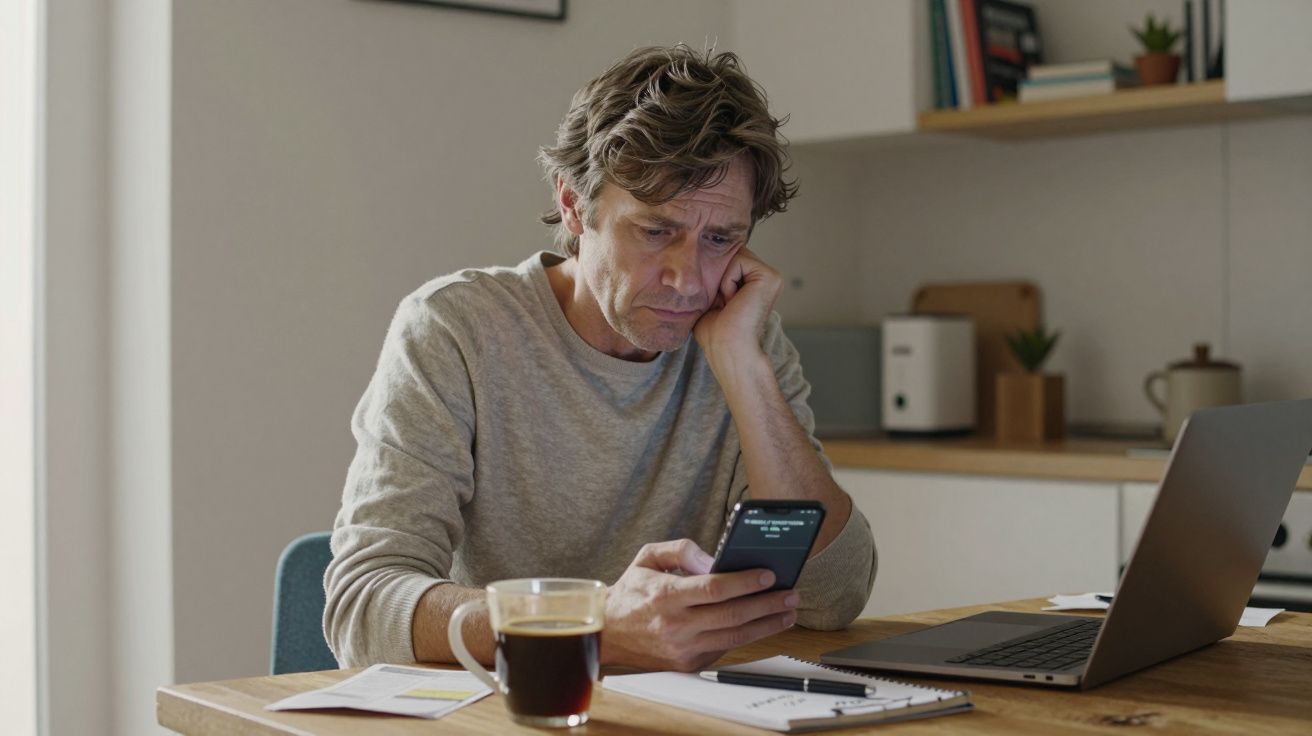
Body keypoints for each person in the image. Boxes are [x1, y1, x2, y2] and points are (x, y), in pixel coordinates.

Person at [325, 44, 877, 672]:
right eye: (656, 230)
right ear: (572, 204)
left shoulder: (743, 337)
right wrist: (585, 624)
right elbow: (363, 609)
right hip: (513, 711)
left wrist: (745, 371)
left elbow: (834, 598)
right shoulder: (456, 329)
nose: (688, 281)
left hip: (682, 714)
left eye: (721, 239)